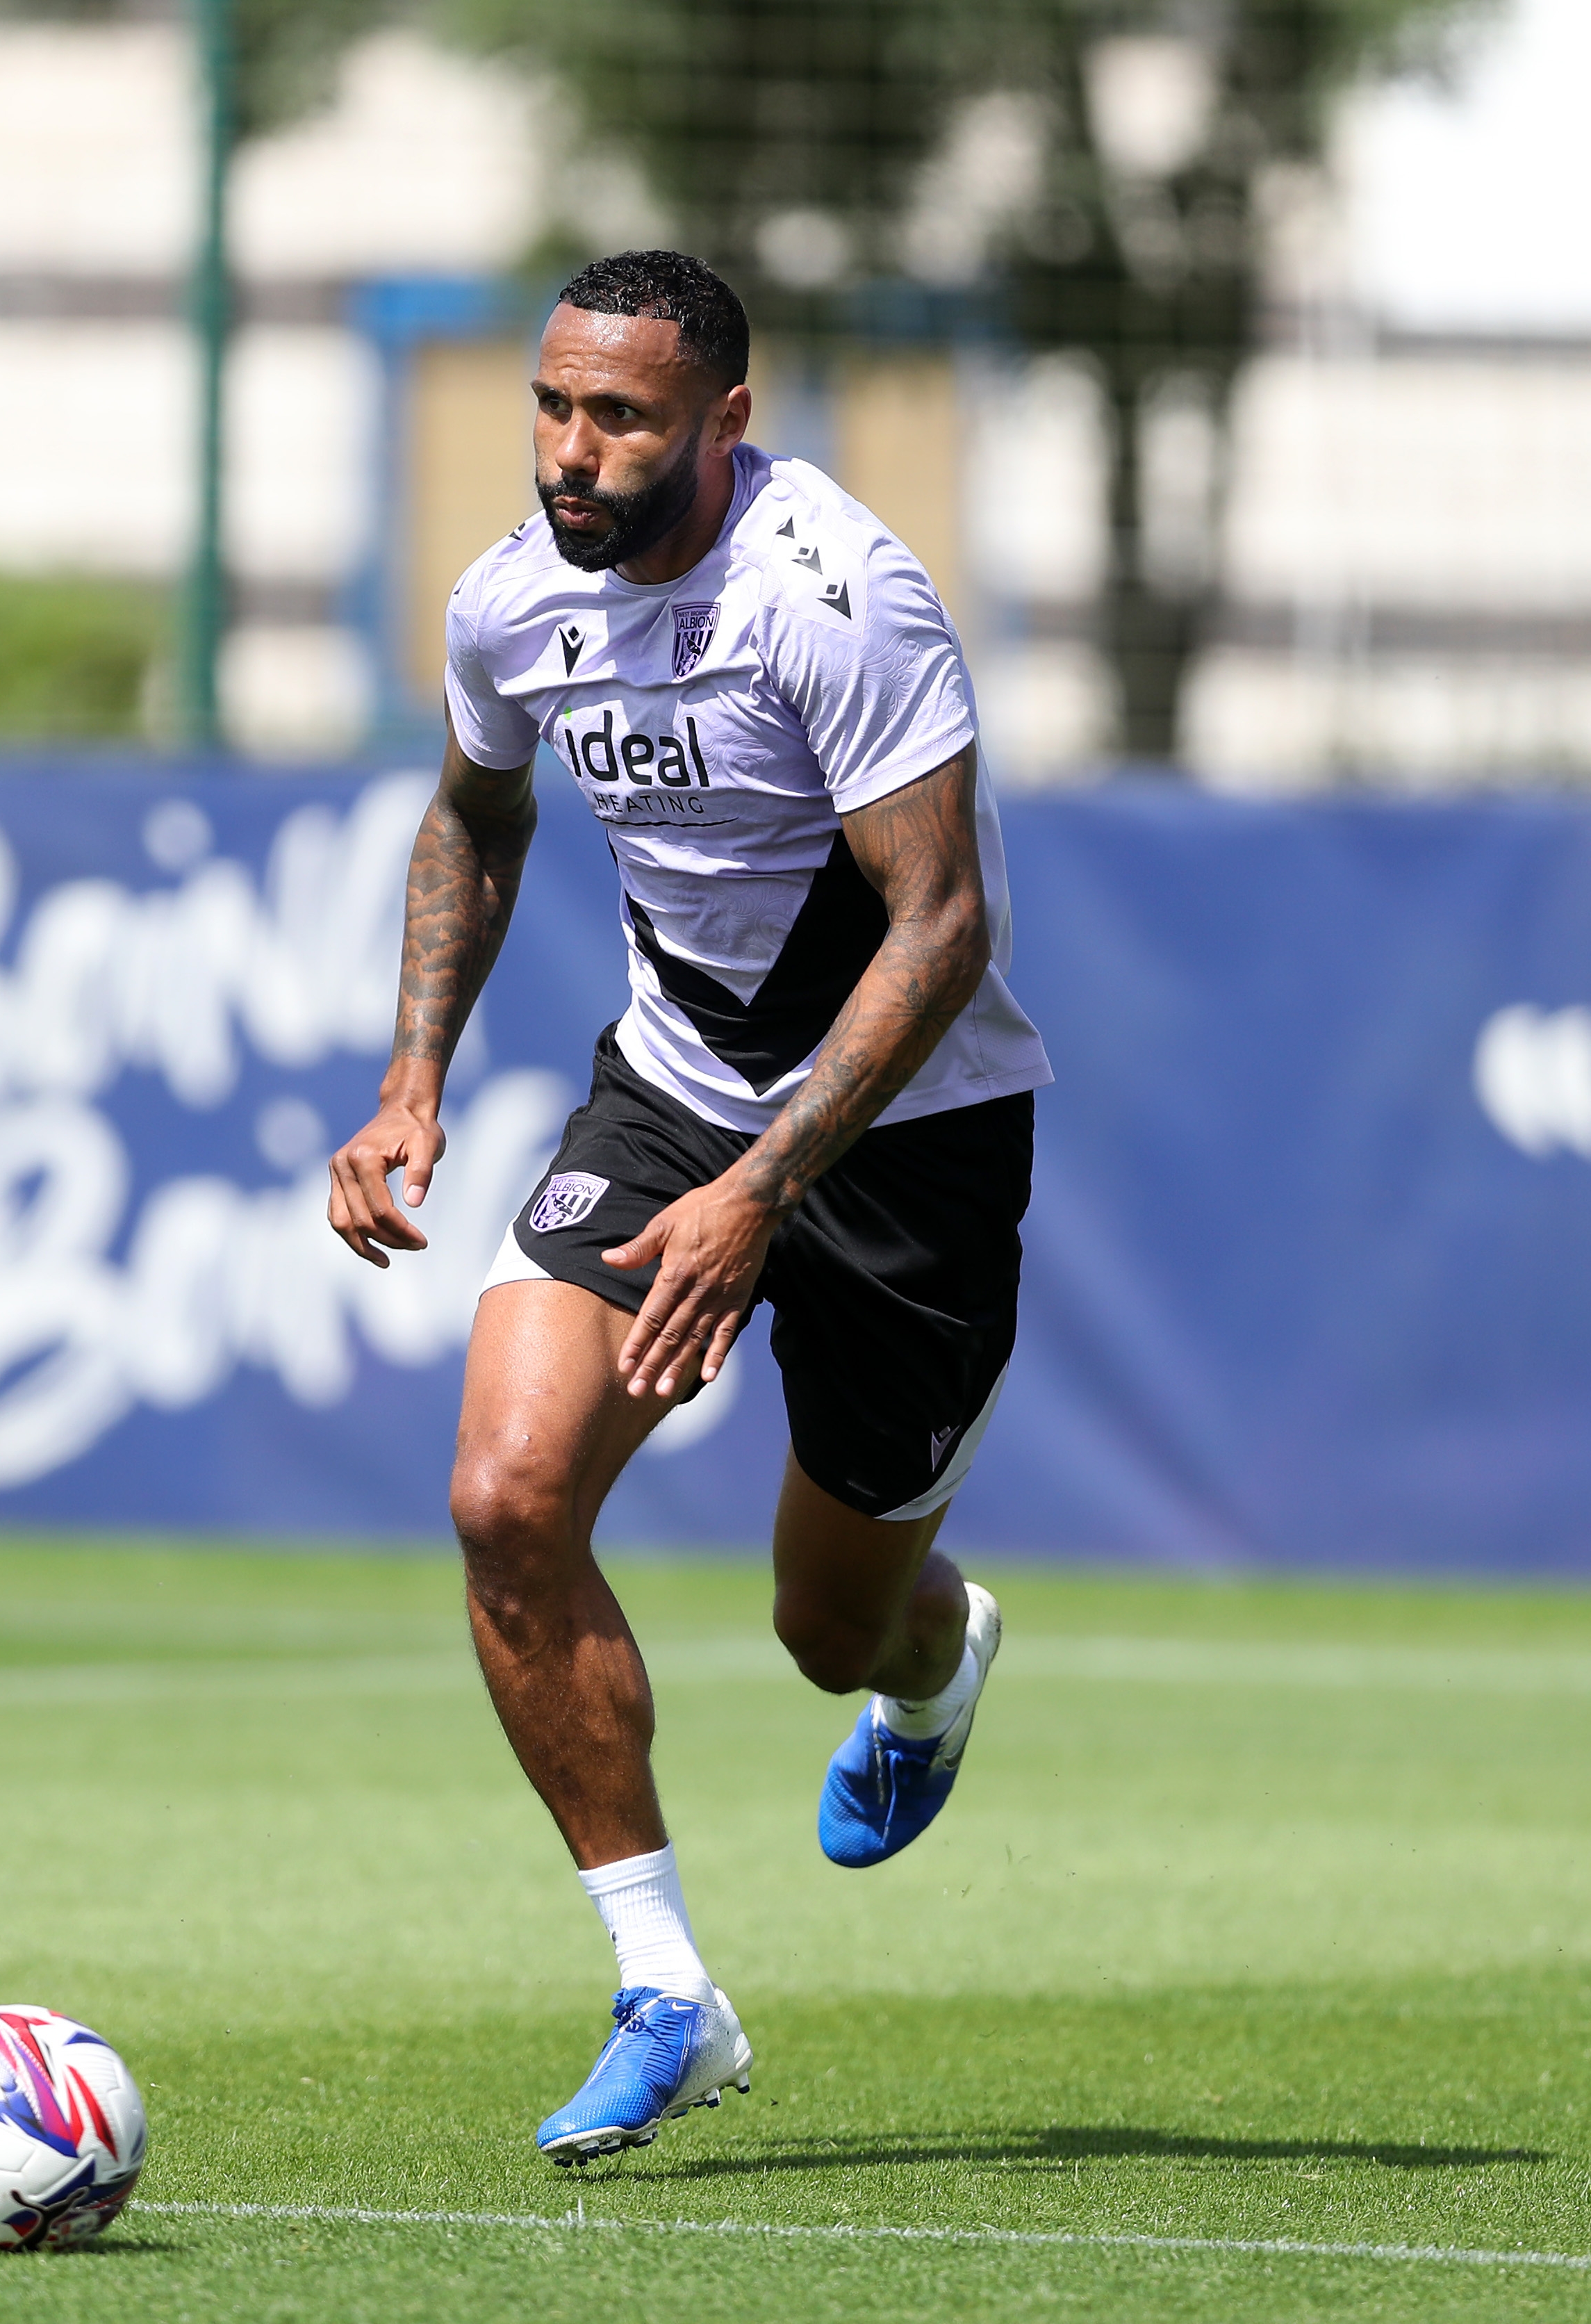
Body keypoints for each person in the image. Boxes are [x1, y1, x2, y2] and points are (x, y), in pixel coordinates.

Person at [326, 249, 1051, 2166]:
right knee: (503, 1494)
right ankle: (664, 1987)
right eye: (554, 408)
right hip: (668, 1101)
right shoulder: (509, 602)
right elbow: (477, 818)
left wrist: (765, 1191)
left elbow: (943, 925)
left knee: (835, 1629)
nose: (574, 451)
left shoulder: (838, 599)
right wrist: (416, 1078)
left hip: (905, 1142)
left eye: (622, 417)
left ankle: (935, 1655)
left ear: (724, 419)